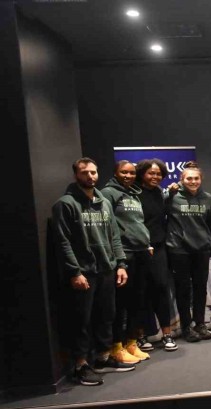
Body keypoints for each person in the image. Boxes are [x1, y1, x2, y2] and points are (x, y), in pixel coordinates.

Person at [52, 158, 134, 386]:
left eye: (94, 172)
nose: (90, 176)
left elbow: (114, 236)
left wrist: (121, 264)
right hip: (84, 272)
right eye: (85, 172)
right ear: (76, 175)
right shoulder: (65, 204)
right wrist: (74, 272)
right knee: (82, 320)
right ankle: (81, 365)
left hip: (107, 269)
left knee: (106, 315)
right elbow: (63, 241)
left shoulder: (104, 202)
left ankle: (102, 358)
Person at [100, 161, 152, 363]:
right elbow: (109, 227)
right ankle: (117, 346)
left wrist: (145, 241)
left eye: (131, 173)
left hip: (141, 251)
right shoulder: (108, 193)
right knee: (120, 304)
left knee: (137, 301)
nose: (128, 176)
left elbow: (137, 223)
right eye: (124, 172)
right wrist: (118, 256)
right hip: (124, 253)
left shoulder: (134, 194)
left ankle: (131, 342)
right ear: (116, 173)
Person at [166, 166, 211, 342]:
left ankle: (200, 324)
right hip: (180, 250)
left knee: (201, 288)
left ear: (201, 179)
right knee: (183, 290)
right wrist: (169, 192)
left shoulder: (207, 198)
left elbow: (209, 223)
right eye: (189, 178)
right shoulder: (172, 196)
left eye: (196, 178)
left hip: (201, 249)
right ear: (182, 179)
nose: (193, 182)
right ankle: (186, 327)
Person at [135, 159, 178, 352]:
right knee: (141, 292)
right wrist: (144, 244)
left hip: (159, 248)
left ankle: (167, 334)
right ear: (142, 174)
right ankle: (142, 336)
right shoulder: (133, 194)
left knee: (161, 289)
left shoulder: (160, 193)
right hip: (140, 249)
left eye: (159, 174)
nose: (155, 176)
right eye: (151, 173)